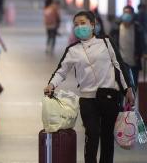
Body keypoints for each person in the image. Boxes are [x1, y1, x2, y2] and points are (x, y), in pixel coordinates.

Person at [44, 11, 135, 163]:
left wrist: (128, 89)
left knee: (107, 137)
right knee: (92, 134)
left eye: (82, 23)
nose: (79, 27)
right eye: (76, 25)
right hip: (87, 100)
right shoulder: (72, 50)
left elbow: (119, 66)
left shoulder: (106, 41)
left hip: (109, 96)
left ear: (92, 25)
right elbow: (61, 71)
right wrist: (51, 84)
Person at [109, 5, 144, 92]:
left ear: (132, 15)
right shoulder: (116, 28)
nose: (126, 15)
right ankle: (121, 104)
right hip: (120, 63)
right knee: (120, 86)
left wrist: (140, 53)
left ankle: (130, 104)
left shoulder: (138, 28)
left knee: (133, 86)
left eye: (129, 13)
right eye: (125, 12)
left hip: (133, 63)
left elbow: (142, 44)